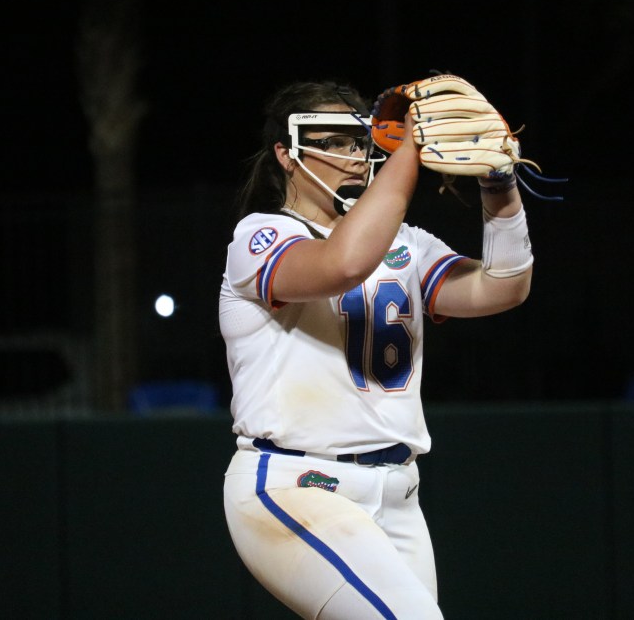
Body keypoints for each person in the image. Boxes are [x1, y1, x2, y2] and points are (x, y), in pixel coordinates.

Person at [218, 77, 535, 619]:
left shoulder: (404, 242)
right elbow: (343, 264)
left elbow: (503, 286)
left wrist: (499, 186)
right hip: (298, 483)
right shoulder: (260, 235)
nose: (351, 155)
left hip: (398, 494)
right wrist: (411, 148)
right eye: (332, 140)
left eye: (359, 142)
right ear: (285, 156)